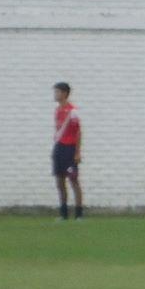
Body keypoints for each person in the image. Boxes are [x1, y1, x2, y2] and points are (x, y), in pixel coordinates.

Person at [52, 82, 84, 220]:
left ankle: (79, 214)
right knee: (59, 181)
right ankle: (63, 213)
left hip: (70, 149)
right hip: (59, 148)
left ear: (64, 93)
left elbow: (78, 132)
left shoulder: (72, 111)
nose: (55, 95)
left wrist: (77, 152)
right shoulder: (57, 110)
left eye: (58, 92)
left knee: (73, 180)